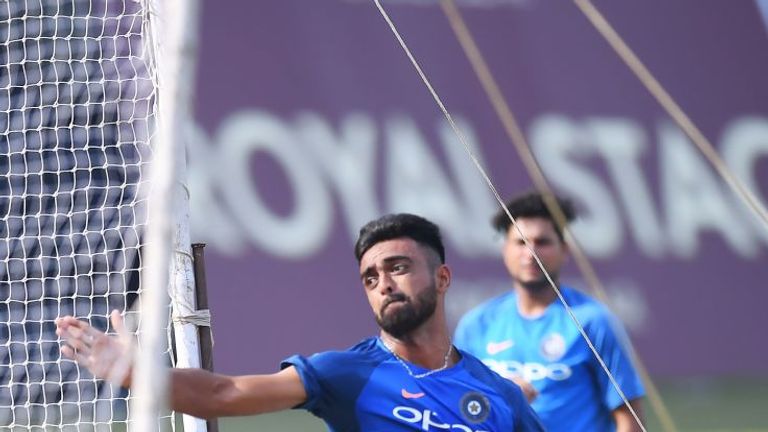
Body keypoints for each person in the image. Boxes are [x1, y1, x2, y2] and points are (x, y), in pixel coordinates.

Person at [57, 213, 544, 431]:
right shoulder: (347, 373)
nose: (384, 284)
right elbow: (220, 394)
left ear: (442, 278)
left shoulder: (497, 394)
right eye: (370, 277)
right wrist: (138, 374)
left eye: (398, 267)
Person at [454, 192, 645, 432]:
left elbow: (629, 418)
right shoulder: (476, 325)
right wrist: (502, 396)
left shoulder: (592, 321)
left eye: (542, 242)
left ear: (564, 250)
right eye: (521, 242)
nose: (531, 253)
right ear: (505, 250)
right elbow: (457, 408)